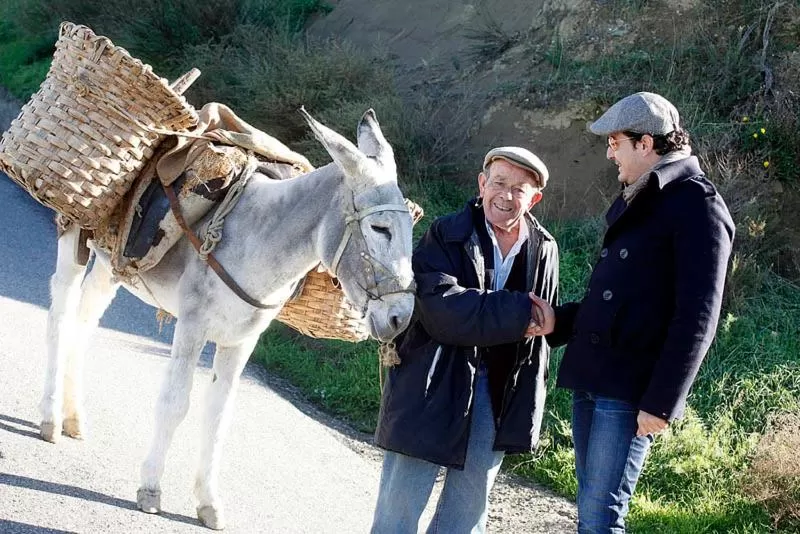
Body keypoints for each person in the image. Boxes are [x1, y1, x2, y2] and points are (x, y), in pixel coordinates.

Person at [531, 92, 735, 533]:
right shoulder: (645, 195)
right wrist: (559, 323)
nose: (609, 153)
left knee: (601, 517)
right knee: (590, 509)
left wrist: (661, 402)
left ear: (646, 143)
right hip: (597, 377)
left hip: (630, 390)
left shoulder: (698, 203)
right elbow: (621, 296)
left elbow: (699, 316)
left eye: (615, 142)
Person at [370, 146, 559, 533]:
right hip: (433, 379)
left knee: (468, 509)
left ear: (534, 199)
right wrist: (520, 312)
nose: (506, 196)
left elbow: (543, 324)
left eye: (519, 189)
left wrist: (531, 323)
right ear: (481, 184)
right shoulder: (445, 233)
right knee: (400, 504)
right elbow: (443, 311)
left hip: (500, 390)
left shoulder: (546, 248)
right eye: (499, 183)